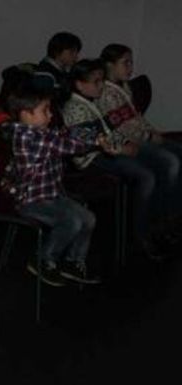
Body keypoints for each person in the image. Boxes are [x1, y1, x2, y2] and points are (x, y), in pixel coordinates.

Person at [63, 58, 177, 259]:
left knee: (162, 163)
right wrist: (122, 149)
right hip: (91, 158)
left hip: (107, 150)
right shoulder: (75, 108)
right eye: (96, 82)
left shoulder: (90, 101)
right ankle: (140, 236)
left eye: (101, 80)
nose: (101, 86)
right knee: (146, 176)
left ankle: (160, 222)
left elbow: (109, 130)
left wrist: (125, 143)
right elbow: (94, 142)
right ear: (79, 84)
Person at [0, 84, 106, 285]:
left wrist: (85, 134)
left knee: (88, 218)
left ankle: (73, 263)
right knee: (72, 222)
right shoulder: (27, 137)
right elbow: (67, 145)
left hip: (51, 196)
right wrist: (97, 141)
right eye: (45, 111)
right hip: (30, 201)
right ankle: (43, 260)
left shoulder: (40, 132)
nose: (50, 115)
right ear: (26, 115)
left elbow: (61, 136)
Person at [98, 43, 182, 218]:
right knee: (170, 162)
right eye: (125, 63)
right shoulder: (106, 92)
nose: (130, 67)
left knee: (178, 152)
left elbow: (137, 117)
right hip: (127, 142)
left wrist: (153, 131)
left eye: (131, 63)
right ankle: (162, 215)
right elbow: (122, 128)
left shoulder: (124, 87)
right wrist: (149, 136)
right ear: (110, 65)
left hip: (142, 137)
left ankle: (173, 211)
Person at [34, 31, 82, 103]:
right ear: (57, 51)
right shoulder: (44, 74)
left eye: (76, 52)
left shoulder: (64, 72)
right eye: (71, 52)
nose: (76, 56)